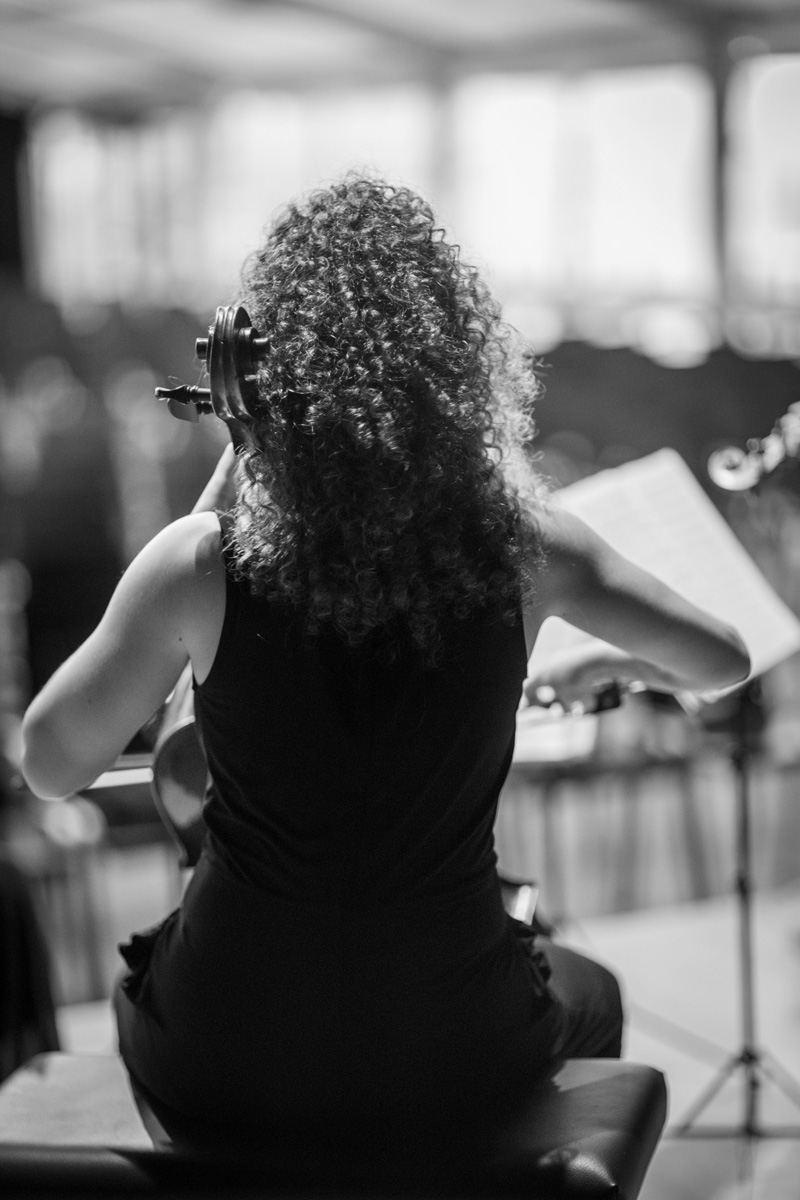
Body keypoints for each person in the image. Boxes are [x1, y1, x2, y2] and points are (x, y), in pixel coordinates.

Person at [20, 176, 750, 1175]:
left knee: (138, 988)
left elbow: (50, 765)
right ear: (455, 366)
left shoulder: (197, 563)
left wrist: (229, 475)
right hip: (452, 1048)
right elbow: (723, 660)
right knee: (592, 993)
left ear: (267, 367)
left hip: (229, 1053)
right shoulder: (527, 547)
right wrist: (612, 662)